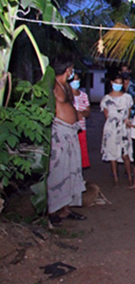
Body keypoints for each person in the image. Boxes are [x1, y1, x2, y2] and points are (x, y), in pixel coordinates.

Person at [47, 57, 87, 226]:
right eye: (71, 69)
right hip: (59, 133)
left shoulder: (67, 86)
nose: (72, 72)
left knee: (71, 169)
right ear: (67, 69)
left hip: (71, 132)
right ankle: (52, 210)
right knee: (58, 170)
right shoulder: (52, 86)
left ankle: (66, 209)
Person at [100, 75, 134, 186]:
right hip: (111, 129)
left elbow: (128, 113)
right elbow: (107, 116)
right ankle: (115, 178)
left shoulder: (127, 98)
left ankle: (130, 177)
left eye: (120, 83)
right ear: (111, 83)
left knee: (125, 154)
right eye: (116, 83)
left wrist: (126, 122)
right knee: (112, 154)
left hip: (123, 129)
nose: (118, 85)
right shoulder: (106, 99)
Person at [70, 73, 91, 168]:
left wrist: (81, 114)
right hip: (70, 128)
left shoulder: (84, 95)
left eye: (77, 79)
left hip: (81, 128)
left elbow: (88, 112)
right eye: (73, 80)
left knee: (81, 152)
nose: (75, 82)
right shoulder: (66, 95)